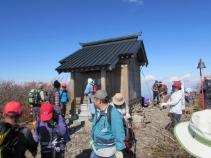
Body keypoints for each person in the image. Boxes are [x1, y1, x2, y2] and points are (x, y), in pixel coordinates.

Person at [90, 90, 125, 158]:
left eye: (95, 99)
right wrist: (93, 139)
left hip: (108, 153)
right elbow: (95, 126)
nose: (93, 101)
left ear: (99, 101)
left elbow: (119, 134)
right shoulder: (98, 111)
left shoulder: (114, 114)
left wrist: (119, 150)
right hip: (96, 149)